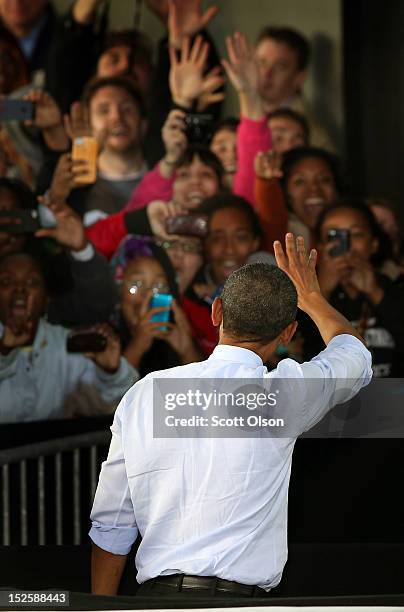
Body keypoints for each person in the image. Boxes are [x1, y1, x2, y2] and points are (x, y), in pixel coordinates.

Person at [89, 233, 372, 597]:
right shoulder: (286, 393)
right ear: (288, 331)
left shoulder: (146, 393)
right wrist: (313, 298)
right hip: (240, 604)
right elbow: (355, 356)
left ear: (217, 311)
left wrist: (99, 608)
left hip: (157, 603)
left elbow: (111, 525)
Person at [0, 251, 136, 423]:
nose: (20, 289)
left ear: (46, 299)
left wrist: (110, 372)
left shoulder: (65, 344)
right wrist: (4, 351)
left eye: (32, 282)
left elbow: (111, 406)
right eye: (7, 282)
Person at [299, 200, 404, 377]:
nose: (346, 245)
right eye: (334, 236)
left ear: (374, 244)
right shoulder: (305, 294)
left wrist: (375, 293)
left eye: (356, 235)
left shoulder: (391, 287)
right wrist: (319, 294)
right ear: (321, 247)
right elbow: (299, 353)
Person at [111, 235, 202, 378]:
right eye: (136, 284)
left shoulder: (174, 343)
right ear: (118, 289)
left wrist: (188, 352)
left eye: (159, 286)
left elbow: (209, 397)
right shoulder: (102, 342)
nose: (147, 295)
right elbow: (112, 397)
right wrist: (137, 347)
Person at [255, 26, 334, 150]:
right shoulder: (249, 113)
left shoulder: (311, 134)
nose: (266, 74)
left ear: (299, 78)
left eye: (279, 66)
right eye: (261, 63)